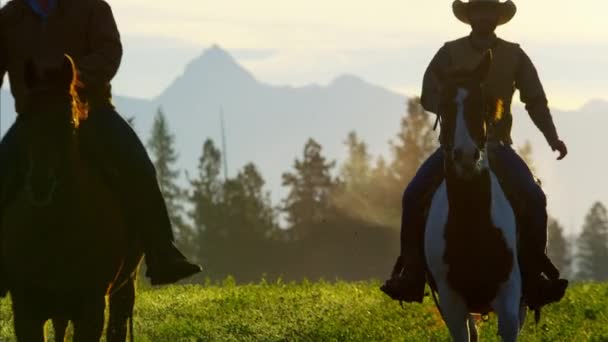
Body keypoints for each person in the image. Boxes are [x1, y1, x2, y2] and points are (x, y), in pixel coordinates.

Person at [0, 0, 202, 293]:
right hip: (34, 118)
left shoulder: (92, 8)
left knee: (139, 166)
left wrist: (71, 78)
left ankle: (161, 252)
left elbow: (109, 54)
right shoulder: (9, 17)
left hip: (91, 110)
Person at [382, 0, 568, 310]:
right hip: (451, 148)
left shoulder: (514, 55)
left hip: (498, 147)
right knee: (412, 196)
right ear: (470, 17)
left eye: (490, 11)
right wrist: (455, 104)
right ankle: (412, 273)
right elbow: (428, 92)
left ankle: (535, 277)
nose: (484, 16)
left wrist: (552, 137)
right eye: (479, 11)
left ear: (498, 17)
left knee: (534, 198)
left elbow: (535, 100)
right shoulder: (449, 53)